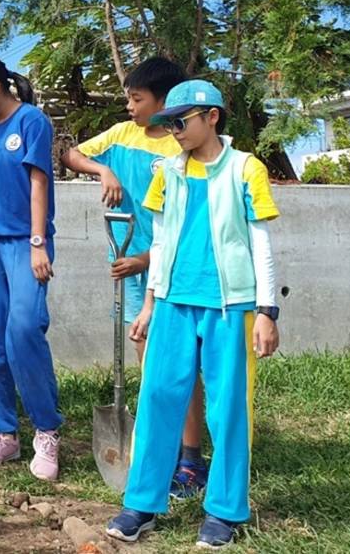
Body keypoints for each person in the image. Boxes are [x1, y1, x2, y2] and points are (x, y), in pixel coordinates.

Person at [106, 79, 281, 550]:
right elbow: (160, 242)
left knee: (228, 410)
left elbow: (261, 243)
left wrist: (267, 310)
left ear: (213, 117)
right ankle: (141, 502)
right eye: (169, 123)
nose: (174, 131)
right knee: (158, 398)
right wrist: (149, 304)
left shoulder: (247, 169)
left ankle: (224, 510)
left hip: (231, 307)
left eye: (181, 121)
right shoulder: (167, 171)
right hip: (172, 304)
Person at [61, 56, 210, 498]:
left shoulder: (184, 147)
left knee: (182, 364)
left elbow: (188, 225)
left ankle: (191, 457)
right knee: (148, 361)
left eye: (137, 98)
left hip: (172, 268)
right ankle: (156, 448)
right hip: (127, 265)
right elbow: (71, 154)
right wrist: (102, 169)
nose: (129, 105)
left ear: (164, 101)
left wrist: (146, 259)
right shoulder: (122, 135)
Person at [0, 53, 63, 481]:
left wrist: (38, 243)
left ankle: (46, 430)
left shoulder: (32, 121)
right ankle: (2, 432)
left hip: (25, 243)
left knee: (23, 329)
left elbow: (39, 182)